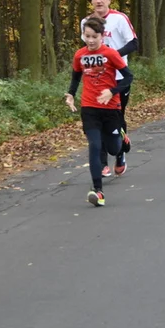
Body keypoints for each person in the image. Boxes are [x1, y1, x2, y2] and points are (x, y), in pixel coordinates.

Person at [65, 16, 134, 207]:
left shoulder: (111, 54)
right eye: (87, 36)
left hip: (111, 108)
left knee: (113, 148)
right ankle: (98, 190)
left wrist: (112, 91)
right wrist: (70, 94)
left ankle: (122, 138)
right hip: (89, 108)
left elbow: (129, 77)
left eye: (94, 36)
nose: (90, 40)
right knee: (94, 146)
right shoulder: (79, 55)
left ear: (102, 36)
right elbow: (76, 77)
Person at [81, 0, 139, 177]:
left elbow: (134, 43)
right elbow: (87, 50)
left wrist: (112, 56)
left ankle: (120, 152)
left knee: (117, 118)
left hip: (119, 79)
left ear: (109, 0)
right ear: (91, 1)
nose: (98, 1)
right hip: (97, 81)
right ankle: (103, 162)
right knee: (99, 120)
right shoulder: (86, 22)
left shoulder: (119, 19)